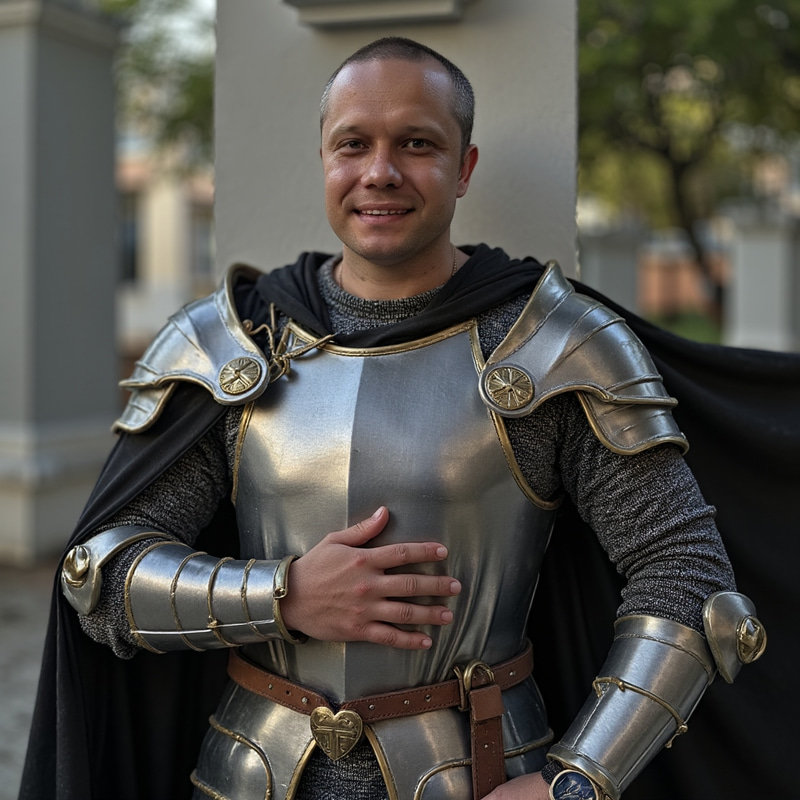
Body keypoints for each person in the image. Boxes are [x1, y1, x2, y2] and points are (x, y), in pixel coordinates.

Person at [21, 38, 769, 800]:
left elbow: (688, 579)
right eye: (354, 143)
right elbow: (98, 579)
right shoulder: (231, 343)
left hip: (477, 771)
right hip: (246, 774)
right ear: (324, 158)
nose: (380, 171)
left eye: (417, 143)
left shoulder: (552, 346)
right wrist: (284, 595)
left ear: (464, 168)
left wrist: (575, 782)